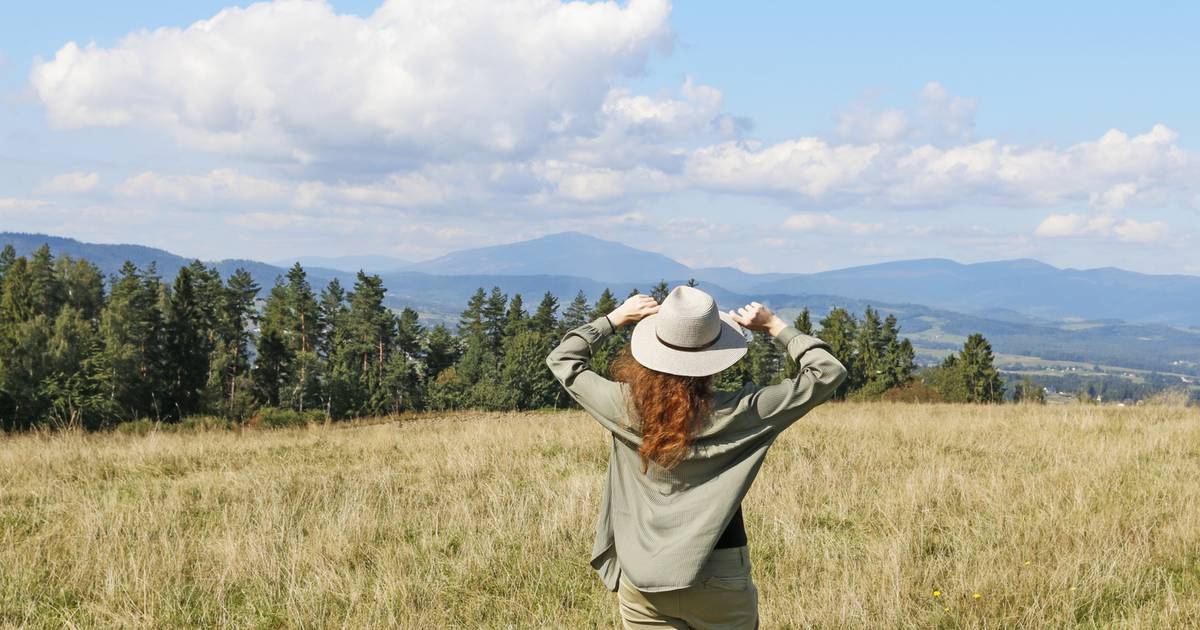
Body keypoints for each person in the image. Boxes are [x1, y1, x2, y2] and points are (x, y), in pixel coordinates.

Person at [546, 285, 847, 629]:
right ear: (715, 354)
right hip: (719, 575)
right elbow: (827, 372)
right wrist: (775, 325)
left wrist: (614, 319)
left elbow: (563, 360)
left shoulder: (623, 407)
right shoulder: (744, 412)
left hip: (643, 574)